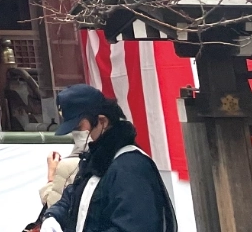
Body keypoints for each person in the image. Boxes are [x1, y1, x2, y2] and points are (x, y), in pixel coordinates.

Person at [40, 85, 177, 232]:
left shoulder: (130, 168)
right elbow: (74, 197)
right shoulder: (97, 160)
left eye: (79, 127)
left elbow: (133, 226)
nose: (76, 134)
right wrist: (53, 217)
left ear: (102, 121)